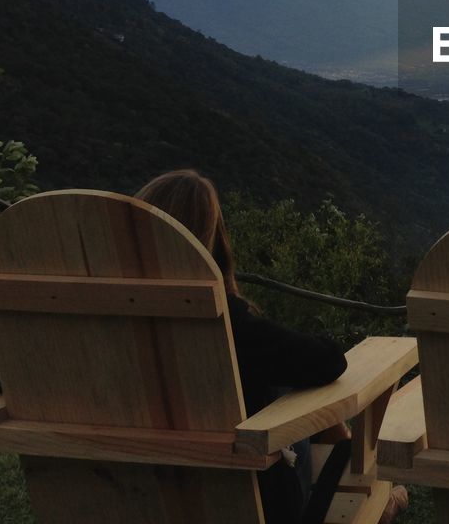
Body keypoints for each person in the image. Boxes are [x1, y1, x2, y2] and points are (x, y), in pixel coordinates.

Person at [135, 170, 408, 524]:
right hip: (250, 501)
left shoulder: (94, 325)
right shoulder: (224, 323)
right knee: (287, 393)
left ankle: (375, 489)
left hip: (133, 493)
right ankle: (381, 500)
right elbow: (326, 361)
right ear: (211, 243)